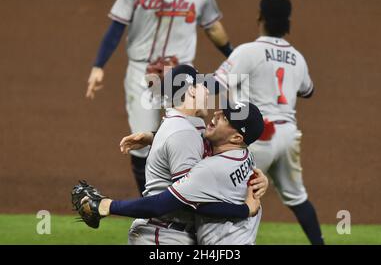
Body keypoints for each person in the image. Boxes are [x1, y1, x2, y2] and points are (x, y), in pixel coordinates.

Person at [85, 0, 233, 196]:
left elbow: (213, 27)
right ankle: (151, 202)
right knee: (142, 144)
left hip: (182, 78)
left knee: (186, 135)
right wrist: (99, 65)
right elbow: (117, 26)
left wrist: (233, 55)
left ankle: (187, 197)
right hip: (142, 74)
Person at [74, 65, 267, 245]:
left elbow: (203, 143)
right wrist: (108, 205)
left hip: (173, 233)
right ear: (191, 90)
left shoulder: (192, 124)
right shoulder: (182, 132)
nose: (208, 92)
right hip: (163, 235)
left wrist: (153, 137)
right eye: (203, 86)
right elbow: (187, 203)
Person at [213, 0, 324, 245]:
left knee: (227, 197)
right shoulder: (298, 57)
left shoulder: (247, 51)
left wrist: (175, 86)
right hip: (288, 136)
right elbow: (308, 90)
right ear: (288, 23)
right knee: (298, 199)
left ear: (260, 16)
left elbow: (216, 85)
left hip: (257, 136)